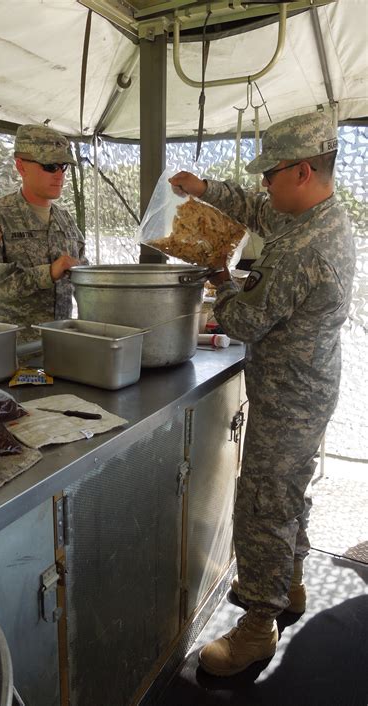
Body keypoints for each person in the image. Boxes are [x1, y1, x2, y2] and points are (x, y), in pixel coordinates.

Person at [169, 112, 355, 677]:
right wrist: (206, 191)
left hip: (289, 397)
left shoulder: (307, 246)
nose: (265, 186)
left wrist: (221, 281)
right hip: (307, 385)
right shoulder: (314, 215)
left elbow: (246, 322)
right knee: (289, 494)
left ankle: (257, 627)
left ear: (301, 171)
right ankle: (291, 583)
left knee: (264, 505)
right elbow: (257, 207)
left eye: (271, 174)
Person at [0, 124, 87, 348]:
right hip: (13, 354)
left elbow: (83, 277)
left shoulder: (65, 221)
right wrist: (47, 273)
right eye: (49, 166)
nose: (59, 175)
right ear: (21, 166)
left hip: (61, 348)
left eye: (63, 167)